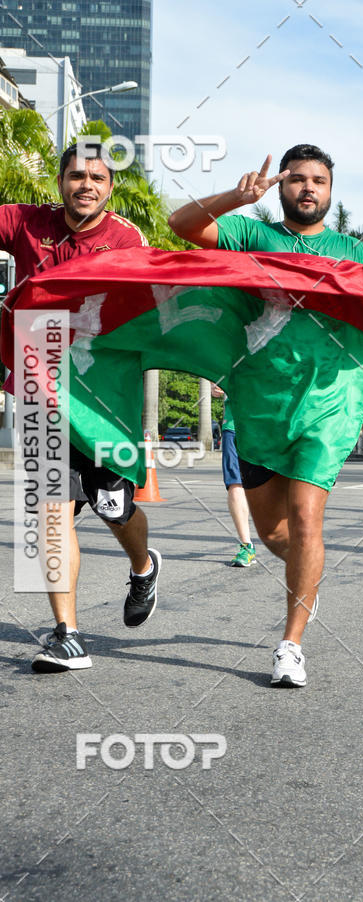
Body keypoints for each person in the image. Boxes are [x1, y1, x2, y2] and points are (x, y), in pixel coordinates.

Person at [169, 144, 363, 686]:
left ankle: (290, 644)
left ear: (330, 190)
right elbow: (182, 225)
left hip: (329, 401)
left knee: (306, 520)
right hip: (259, 405)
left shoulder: (353, 252)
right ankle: (307, 578)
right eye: (297, 179)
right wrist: (236, 197)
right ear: (281, 186)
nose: (308, 188)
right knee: (275, 535)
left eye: (318, 181)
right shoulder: (253, 235)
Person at [1, 143, 161, 672]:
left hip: (101, 393)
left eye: (96, 177)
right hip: (41, 387)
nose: (85, 185)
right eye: (76, 176)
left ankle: (143, 566)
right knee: (51, 511)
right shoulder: (26, 223)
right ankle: (67, 635)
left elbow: (155, 302)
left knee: (113, 506)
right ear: (60, 182)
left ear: (109, 187)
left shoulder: (126, 239)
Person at [218, 389, 257, 567]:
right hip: (233, 426)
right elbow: (215, 383)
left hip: (266, 426)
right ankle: (246, 545)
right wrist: (215, 385)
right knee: (235, 484)